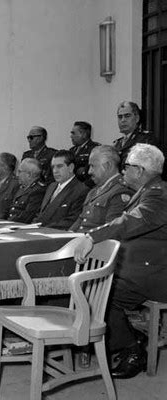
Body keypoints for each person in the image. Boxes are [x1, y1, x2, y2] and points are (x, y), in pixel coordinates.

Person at [74, 143, 167, 379]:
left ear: (140, 170)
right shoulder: (149, 190)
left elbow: (130, 221)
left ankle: (132, 351)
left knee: (100, 292)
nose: (123, 171)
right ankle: (129, 338)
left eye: (126, 167)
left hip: (155, 273)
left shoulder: (159, 194)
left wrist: (93, 236)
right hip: (142, 267)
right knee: (92, 288)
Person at [71, 145, 134, 232]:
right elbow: (81, 220)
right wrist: (67, 235)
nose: (89, 171)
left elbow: (110, 230)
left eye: (93, 166)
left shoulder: (121, 191)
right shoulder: (93, 191)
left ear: (108, 165)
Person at [33, 150, 89, 230]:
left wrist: (42, 229)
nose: (55, 171)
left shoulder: (81, 190)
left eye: (59, 166)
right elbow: (41, 213)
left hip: (56, 235)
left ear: (71, 167)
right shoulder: (51, 186)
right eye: (53, 167)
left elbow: (71, 221)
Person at [113, 101, 156, 169]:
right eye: (120, 117)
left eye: (127, 116)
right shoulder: (117, 143)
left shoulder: (145, 139)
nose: (123, 120)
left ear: (137, 118)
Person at [8, 158, 47, 223]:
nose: (17, 175)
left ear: (29, 175)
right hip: (12, 223)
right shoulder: (22, 187)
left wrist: (8, 222)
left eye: (20, 172)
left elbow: (28, 215)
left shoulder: (38, 191)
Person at [69, 121, 100, 187]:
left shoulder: (95, 149)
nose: (71, 136)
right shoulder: (72, 150)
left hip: (87, 188)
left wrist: (82, 188)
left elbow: (96, 173)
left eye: (73, 133)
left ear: (84, 134)